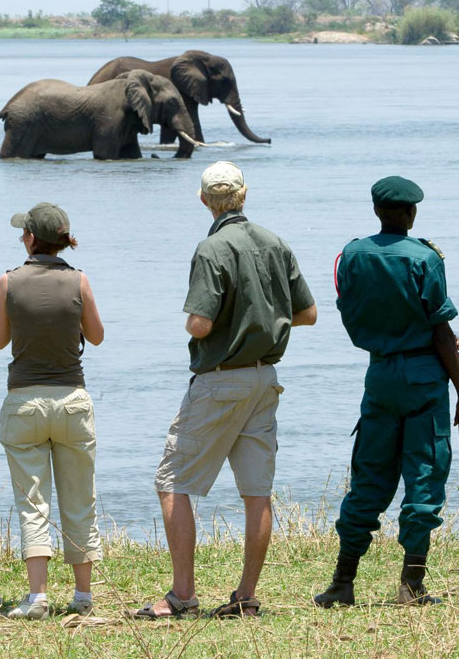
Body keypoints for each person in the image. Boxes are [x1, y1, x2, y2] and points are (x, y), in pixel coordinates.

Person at [135, 161, 318, 620]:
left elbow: (200, 324)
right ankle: (246, 597)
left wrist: (198, 325)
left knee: (172, 482)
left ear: (204, 200)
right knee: (257, 492)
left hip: (221, 380)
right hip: (265, 379)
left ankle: (182, 595)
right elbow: (308, 314)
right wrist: (266, 320)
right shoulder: (276, 242)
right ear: (244, 194)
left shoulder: (211, 248)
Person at [314, 176, 459, 608]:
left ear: (376, 211)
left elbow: (352, 312)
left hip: (379, 373)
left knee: (369, 477)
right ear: (410, 213)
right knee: (424, 476)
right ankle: (411, 584)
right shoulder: (425, 257)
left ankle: (342, 582)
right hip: (424, 377)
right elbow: (440, 330)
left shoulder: (351, 255)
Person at [0, 202, 106, 620]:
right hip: (72, 399)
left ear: (31, 239)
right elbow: (96, 336)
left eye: (23, 232)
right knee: (80, 500)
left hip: (24, 402)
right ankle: (82, 596)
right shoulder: (79, 280)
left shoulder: (8, 281)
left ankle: (37, 597)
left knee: (32, 503)